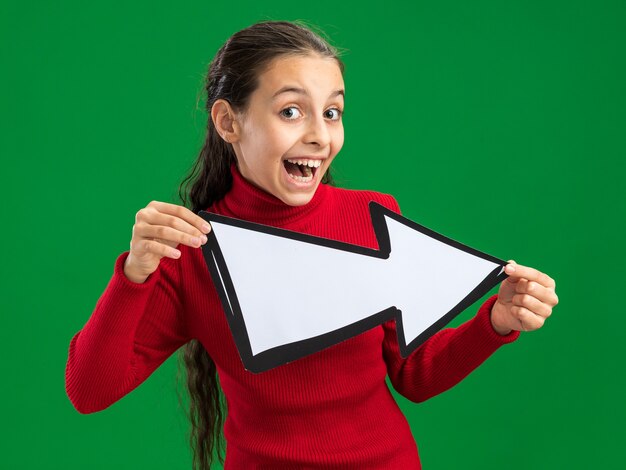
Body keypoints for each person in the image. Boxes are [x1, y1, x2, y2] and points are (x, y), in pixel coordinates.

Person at [65, 20, 559, 469]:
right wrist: (132, 275)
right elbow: (90, 390)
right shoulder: (192, 251)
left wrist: (494, 322)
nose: (320, 136)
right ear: (228, 122)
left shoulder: (373, 218)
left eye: (332, 111)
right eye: (292, 111)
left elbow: (414, 375)